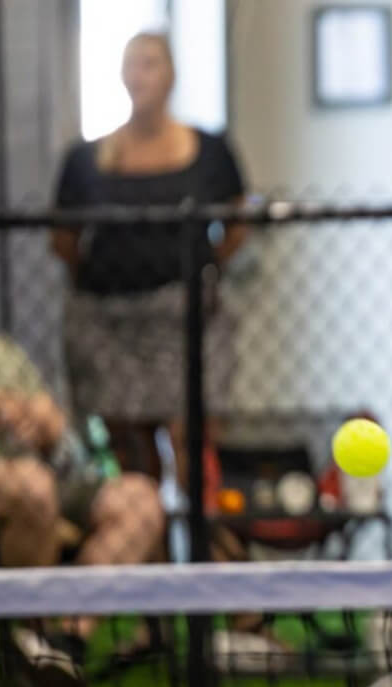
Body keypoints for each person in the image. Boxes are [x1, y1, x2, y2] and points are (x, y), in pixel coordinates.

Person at [0, 239, 165, 687]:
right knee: (28, 486)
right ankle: (25, 635)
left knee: (139, 499)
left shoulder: (1, 351)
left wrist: (46, 425)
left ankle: (66, 639)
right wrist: (1, 407)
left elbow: (55, 424)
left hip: (43, 471)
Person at [51, 31, 247, 489]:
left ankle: (207, 550)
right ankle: (148, 549)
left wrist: (207, 269)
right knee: (132, 457)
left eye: (151, 63)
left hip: (186, 318)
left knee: (191, 440)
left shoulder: (210, 150)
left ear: (172, 74)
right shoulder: (85, 159)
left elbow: (237, 223)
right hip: (110, 320)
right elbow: (63, 241)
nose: (140, 74)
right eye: (132, 63)